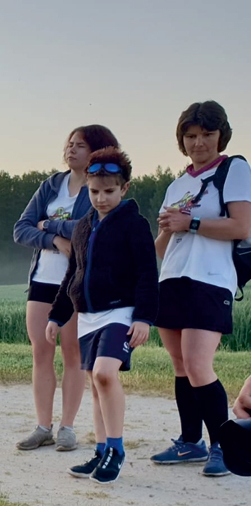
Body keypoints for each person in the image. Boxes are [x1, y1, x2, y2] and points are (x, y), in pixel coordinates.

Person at [47, 148, 159, 484]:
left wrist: (144, 317)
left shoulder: (134, 225)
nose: (101, 198)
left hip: (121, 312)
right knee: (96, 383)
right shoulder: (82, 228)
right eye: (94, 192)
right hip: (88, 317)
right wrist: (57, 315)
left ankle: (116, 449)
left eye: (109, 191)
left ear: (124, 189)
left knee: (106, 374)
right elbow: (72, 275)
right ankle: (99, 451)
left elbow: (147, 273)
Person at [152, 101, 251, 476]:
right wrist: (164, 230)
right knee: (180, 366)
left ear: (220, 135)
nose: (199, 143)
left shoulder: (234, 169)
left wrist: (189, 223)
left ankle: (223, 447)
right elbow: (163, 245)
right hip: (172, 278)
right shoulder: (177, 184)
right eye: (191, 136)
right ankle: (189, 442)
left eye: (207, 134)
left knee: (197, 364)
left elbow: (242, 226)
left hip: (210, 278)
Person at [13, 125, 120, 452]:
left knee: (73, 355)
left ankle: (67, 428)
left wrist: (50, 224)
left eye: (80, 145)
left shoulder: (98, 188)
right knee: (40, 353)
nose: (71, 150)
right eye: (69, 144)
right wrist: (54, 239)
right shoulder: (51, 185)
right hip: (42, 281)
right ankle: (43, 426)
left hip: (76, 282)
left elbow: (90, 226)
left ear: (97, 152)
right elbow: (21, 229)